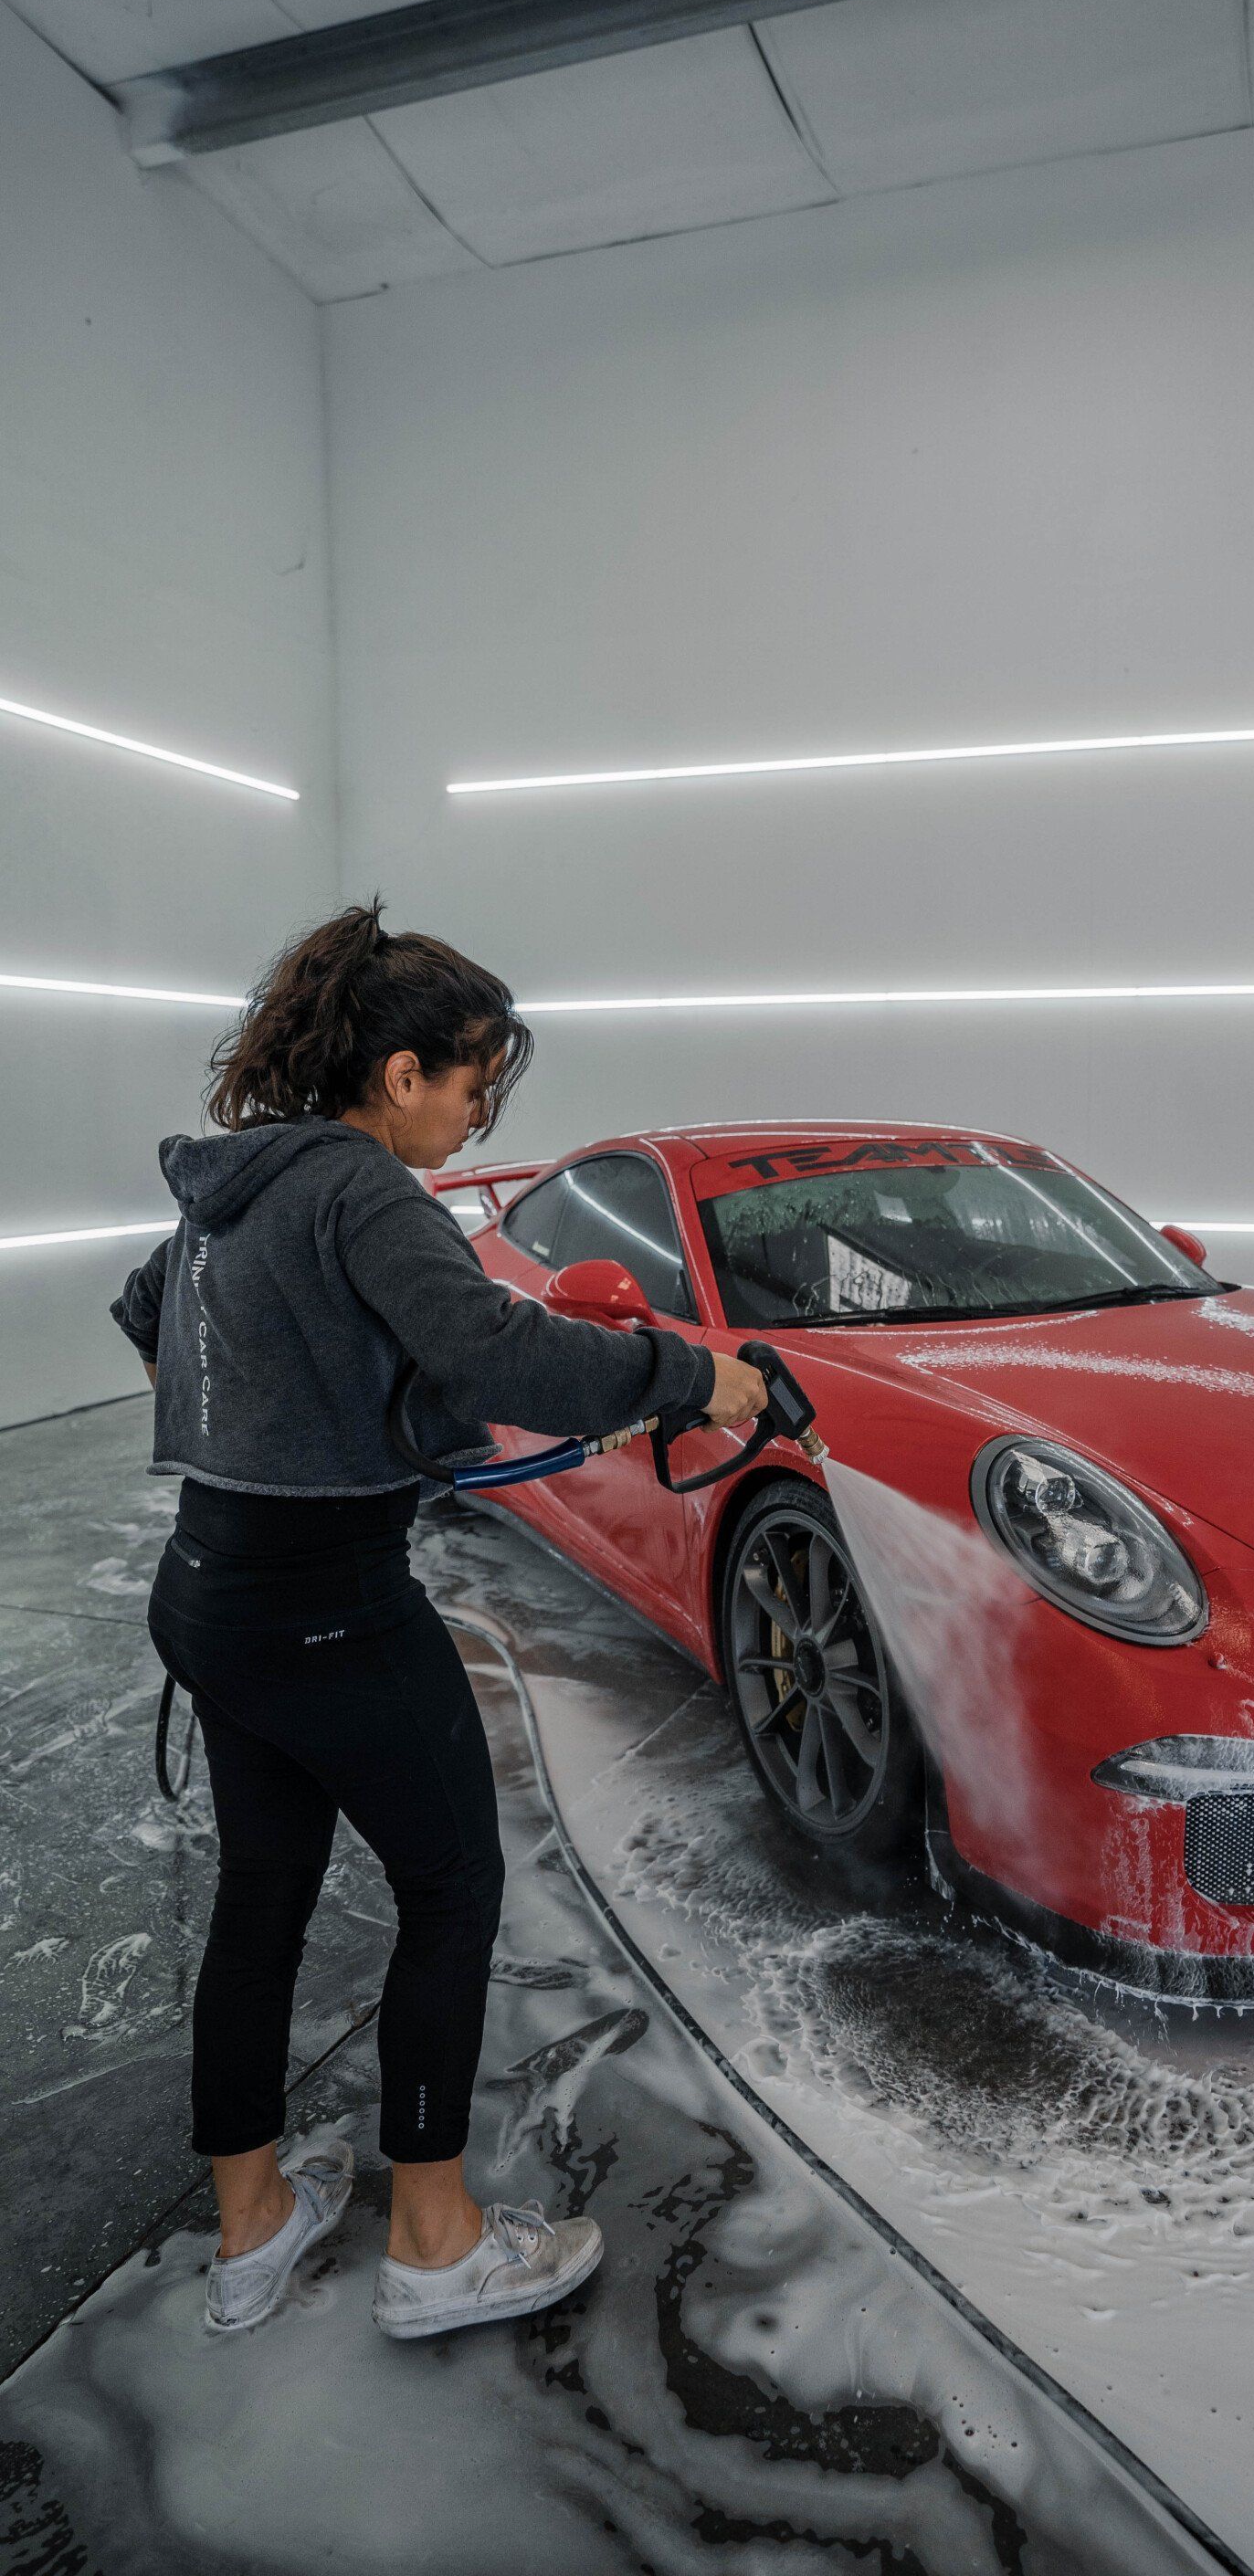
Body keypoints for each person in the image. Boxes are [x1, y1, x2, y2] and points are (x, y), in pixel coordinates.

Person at [111, 902, 765, 2339]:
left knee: (263, 1899)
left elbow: (144, 1318)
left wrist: (329, 1402)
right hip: (334, 1610)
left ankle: (253, 2223)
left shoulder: (229, 1188)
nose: (479, 1113)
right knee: (454, 1892)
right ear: (400, 1072)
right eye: (473, 1080)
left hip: (211, 1599)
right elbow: (496, 1346)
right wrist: (688, 1375)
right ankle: (436, 2242)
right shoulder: (363, 1190)